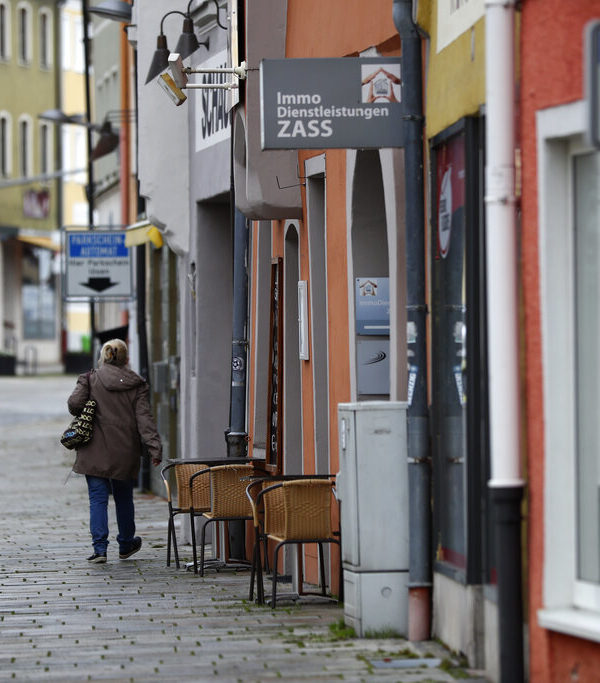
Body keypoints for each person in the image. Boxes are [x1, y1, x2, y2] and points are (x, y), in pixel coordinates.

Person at [67, 339, 162, 564]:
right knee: (124, 497)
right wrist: (154, 447)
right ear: (126, 358)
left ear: (103, 356)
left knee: (97, 499)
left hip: (94, 450)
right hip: (125, 451)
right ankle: (126, 544)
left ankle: (100, 549)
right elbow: (144, 419)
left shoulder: (90, 378)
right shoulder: (136, 384)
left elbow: (74, 404)